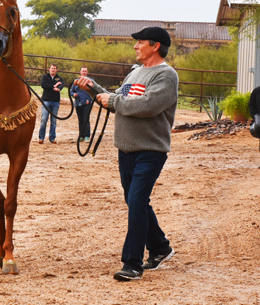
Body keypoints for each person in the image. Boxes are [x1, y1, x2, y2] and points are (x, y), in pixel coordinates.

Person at [74, 27, 178, 281]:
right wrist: (94, 88)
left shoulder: (166, 76)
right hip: (126, 149)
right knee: (135, 202)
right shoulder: (135, 73)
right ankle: (160, 247)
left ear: (155, 46)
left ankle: (132, 264)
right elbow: (119, 102)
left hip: (150, 151)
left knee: (137, 203)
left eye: (140, 42)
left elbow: (148, 105)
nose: (135, 46)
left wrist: (113, 101)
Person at [38, 64, 63, 144]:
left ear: (56, 70)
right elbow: (43, 85)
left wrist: (58, 88)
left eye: (54, 68)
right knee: (44, 119)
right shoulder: (45, 77)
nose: (53, 70)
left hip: (55, 102)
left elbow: (61, 85)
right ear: (49, 69)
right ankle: (41, 137)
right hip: (46, 101)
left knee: (53, 121)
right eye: (52, 68)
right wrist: (53, 86)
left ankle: (52, 138)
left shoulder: (59, 78)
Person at [71, 66, 94, 142]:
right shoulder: (76, 81)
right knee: (80, 120)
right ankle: (81, 136)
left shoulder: (90, 81)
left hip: (86, 103)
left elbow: (94, 92)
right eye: (83, 71)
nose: (84, 72)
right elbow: (71, 91)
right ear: (80, 72)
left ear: (87, 72)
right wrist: (73, 94)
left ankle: (87, 136)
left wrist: (89, 100)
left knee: (86, 119)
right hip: (78, 103)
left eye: (85, 71)